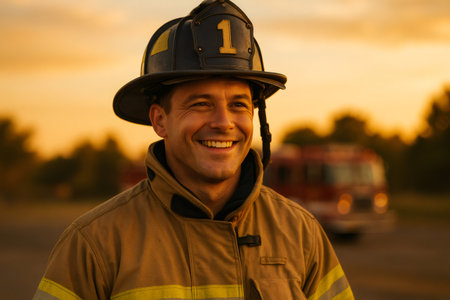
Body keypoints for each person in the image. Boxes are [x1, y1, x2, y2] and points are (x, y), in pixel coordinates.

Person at [33, 1, 354, 299]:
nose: (223, 123)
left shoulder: (300, 231)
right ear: (160, 120)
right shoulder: (94, 243)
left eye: (238, 105)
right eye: (201, 104)